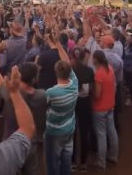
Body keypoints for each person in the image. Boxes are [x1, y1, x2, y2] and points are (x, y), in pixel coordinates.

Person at [0, 42, 46, 175]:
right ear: (35, 78)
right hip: (33, 144)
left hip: (11, 145)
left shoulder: (10, 93)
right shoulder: (43, 96)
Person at [43, 33, 79, 175]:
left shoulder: (52, 92)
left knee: (52, 162)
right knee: (66, 158)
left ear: (55, 72)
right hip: (70, 127)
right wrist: (58, 44)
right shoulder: (74, 83)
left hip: (54, 132)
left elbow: (44, 107)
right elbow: (66, 61)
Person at [91, 50, 119, 170]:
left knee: (101, 134)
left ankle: (101, 161)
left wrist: (90, 91)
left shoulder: (99, 74)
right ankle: (113, 155)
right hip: (110, 105)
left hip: (100, 107)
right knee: (111, 131)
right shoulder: (110, 69)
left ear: (96, 60)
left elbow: (97, 95)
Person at [71, 48, 94, 172]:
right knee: (85, 133)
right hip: (85, 104)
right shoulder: (90, 71)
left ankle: (73, 162)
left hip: (73, 103)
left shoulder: (71, 71)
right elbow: (91, 88)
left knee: (73, 133)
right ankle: (84, 163)